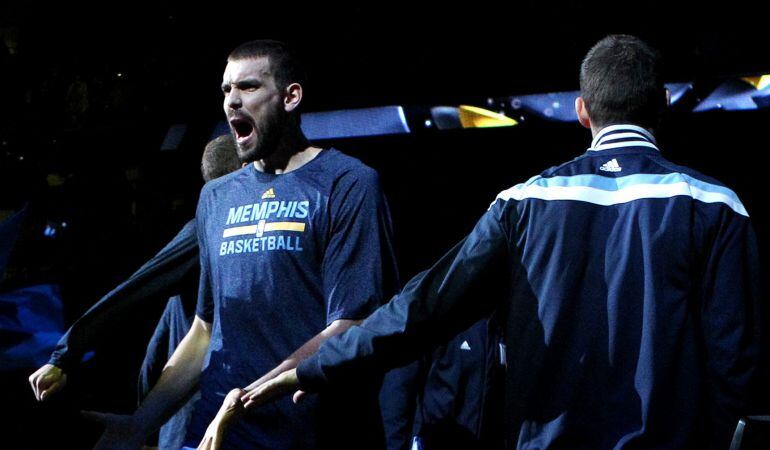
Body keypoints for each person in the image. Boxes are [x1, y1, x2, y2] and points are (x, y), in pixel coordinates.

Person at [243, 35, 763, 450]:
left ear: (583, 111)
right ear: (664, 104)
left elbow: (420, 311)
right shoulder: (715, 204)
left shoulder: (523, 203)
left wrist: (316, 368)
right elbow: (733, 365)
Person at [88, 40, 401, 450]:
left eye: (249, 87)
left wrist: (246, 400)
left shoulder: (347, 184)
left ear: (291, 97)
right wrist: (140, 423)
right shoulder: (215, 198)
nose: (232, 101)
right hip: (227, 433)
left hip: (314, 433)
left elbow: (350, 325)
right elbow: (204, 330)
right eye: (225, 90)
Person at [28, 134, 241, 450]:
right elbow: (137, 290)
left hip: (215, 417)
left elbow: (160, 343)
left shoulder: (244, 238)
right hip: (193, 419)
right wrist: (66, 354)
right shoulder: (206, 229)